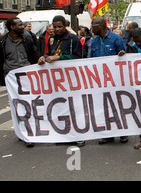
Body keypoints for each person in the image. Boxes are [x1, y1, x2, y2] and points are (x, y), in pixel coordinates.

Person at [38, 15, 83, 147]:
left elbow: (77, 57)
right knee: (60, 106)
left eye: (60, 27)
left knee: (73, 106)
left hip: (71, 77)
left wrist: (58, 58)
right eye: (55, 27)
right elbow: (48, 53)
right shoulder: (51, 39)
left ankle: (79, 135)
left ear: (65, 26)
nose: (57, 29)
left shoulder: (73, 39)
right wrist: (43, 58)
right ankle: (63, 134)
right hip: (56, 79)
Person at [86, 16, 127, 145]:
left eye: (94, 25)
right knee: (103, 108)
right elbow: (89, 60)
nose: (92, 28)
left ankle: (122, 133)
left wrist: (121, 56)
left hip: (115, 80)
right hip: (100, 81)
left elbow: (124, 57)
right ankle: (108, 134)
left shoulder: (116, 39)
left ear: (103, 26)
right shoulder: (93, 41)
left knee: (117, 106)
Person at [0, 17, 39, 147]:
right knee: (17, 106)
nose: (22, 26)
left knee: (29, 104)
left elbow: (34, 55)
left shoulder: (27, 39)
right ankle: (22, 132)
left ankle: (30, 131)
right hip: (11, 77)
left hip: (27, 75)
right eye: (20, 25)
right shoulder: (3, 41)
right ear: (12, 27)